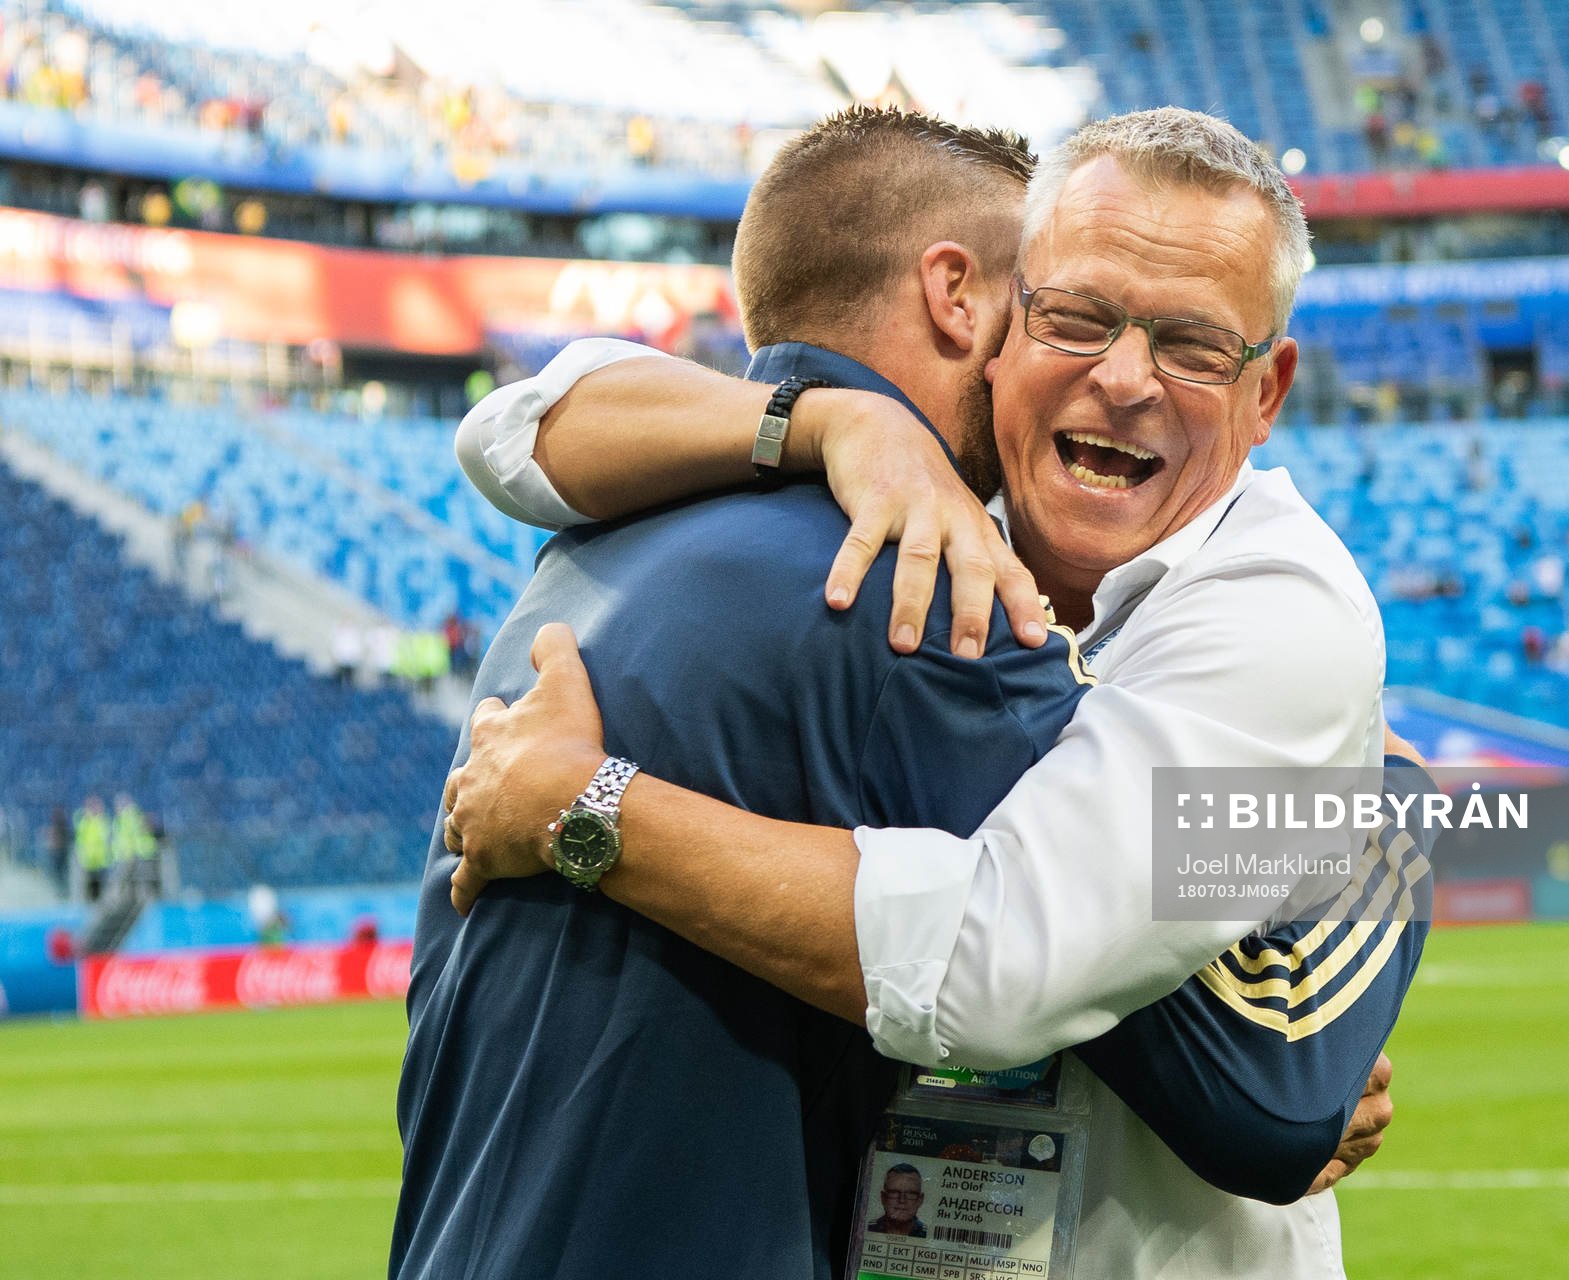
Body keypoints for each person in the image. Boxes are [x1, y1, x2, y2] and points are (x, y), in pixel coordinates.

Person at [442, 108, 1432, 1278]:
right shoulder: (922, 520)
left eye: (1194, 347)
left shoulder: (1276, 607)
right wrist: (831, 416)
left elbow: (1012, 964)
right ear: (1001, 325)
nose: (1123, 378)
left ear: (1267, 394)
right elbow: (510, 428)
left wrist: (586, 807)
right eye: (1076, 316)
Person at [868, 1164, 929, 1239]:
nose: (902, 1200)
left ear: (920, 1200)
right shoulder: (868, 1229)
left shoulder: (929, 1234)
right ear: (883, 1197)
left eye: (910, 1194)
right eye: (894, 1192)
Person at [74, 795, 111, 903]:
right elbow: (80, 841)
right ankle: (91, 906)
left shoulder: (103, 821)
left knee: (102, 888)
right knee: (90, 889)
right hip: (89, 861)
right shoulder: (84, 822)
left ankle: (101, 905)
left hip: (102, 861)